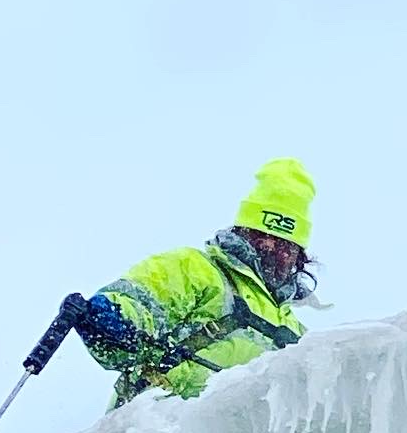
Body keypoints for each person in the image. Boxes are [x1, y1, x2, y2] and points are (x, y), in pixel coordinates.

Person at [80, 157, 320, 406]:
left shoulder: (298, 336)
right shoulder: (197, 270)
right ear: (241, 231)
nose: (270, 245)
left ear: (298, 256)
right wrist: (117, 316)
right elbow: (144, 301)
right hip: (152, 431)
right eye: (260, 233)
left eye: (283, 243)